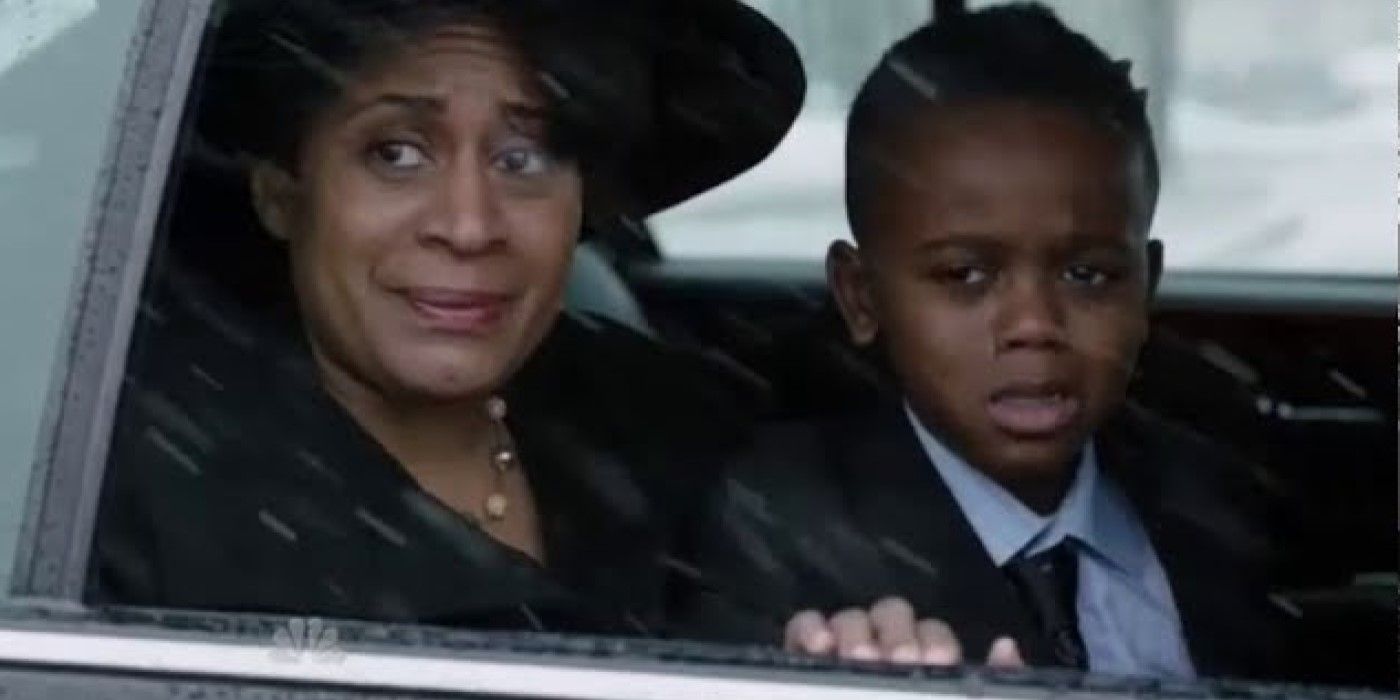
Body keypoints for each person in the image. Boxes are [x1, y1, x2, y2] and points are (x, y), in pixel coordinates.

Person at [89, 0, 805, 637]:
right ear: (282, 195)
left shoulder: (677, 423)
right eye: (396, 153)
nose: (468, 225)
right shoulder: (122, 493)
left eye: (523, 158)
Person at [683, 3, 1298, 680]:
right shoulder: (778, 528)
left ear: (1143, 289)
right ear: (862, 296)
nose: (1033, 323)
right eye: (965, 275)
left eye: (1088, 274)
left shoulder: (1206, 498)